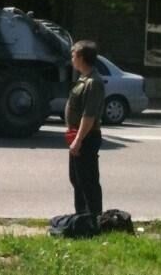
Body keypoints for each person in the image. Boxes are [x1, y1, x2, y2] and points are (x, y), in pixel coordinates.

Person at [66, 40, 105, 219]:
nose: (72, 58)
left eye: (74, 55)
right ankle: (81, 217)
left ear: (81, 57)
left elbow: (88, 116)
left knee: (88, 181)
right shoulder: (84, 78)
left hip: (87, 138)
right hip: (78, 135)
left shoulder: (94, 82)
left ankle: (93, 219)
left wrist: (78, 140)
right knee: (77, 179)